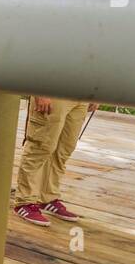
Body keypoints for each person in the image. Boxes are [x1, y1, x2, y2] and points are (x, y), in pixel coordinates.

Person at [12, 96, 95, 227]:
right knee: (40, 147)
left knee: (63, 150)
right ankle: (25, 202)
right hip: (53, 91)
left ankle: (48, 197)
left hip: (82, 95)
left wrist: (96, 93)